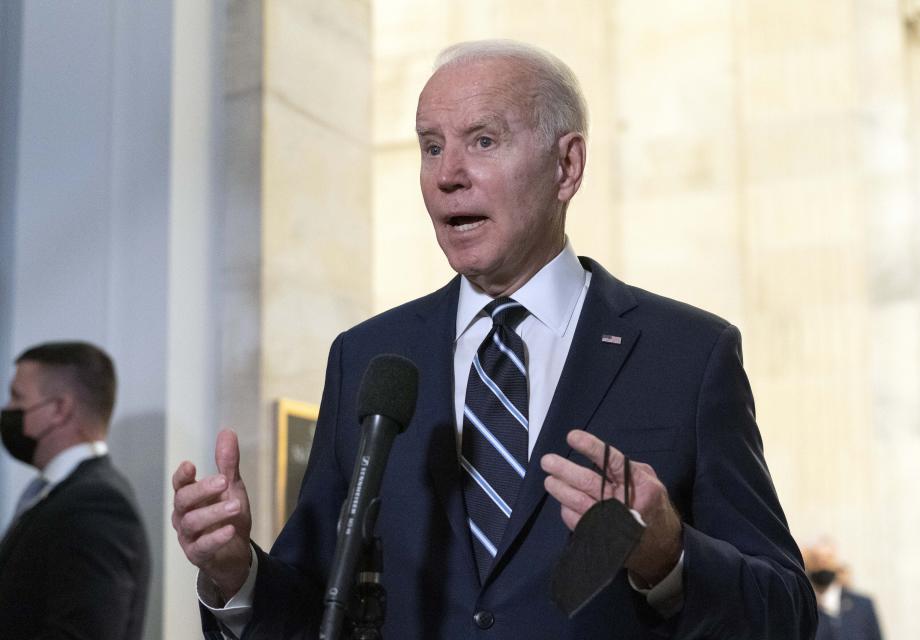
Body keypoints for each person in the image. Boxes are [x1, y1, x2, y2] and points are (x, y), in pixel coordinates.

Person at [173, 40, 817, 639]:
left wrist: (670, 556)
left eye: (483, 141)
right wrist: (235, 574)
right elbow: (318, 600)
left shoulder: (688, 355)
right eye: (430, 147)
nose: (448, 174)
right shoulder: (367, 357)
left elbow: (786, 611)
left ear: (567, 166)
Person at [0, 341, 150, 639]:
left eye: (17, 398)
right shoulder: (61, 494)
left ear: (59, 409)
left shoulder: (97, 505)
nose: (8, 410)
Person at [804, 539, 883, 640]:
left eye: (828, 559)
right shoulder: (803, 608)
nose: (822, 565)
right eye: (816, 559)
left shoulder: (862, 606)